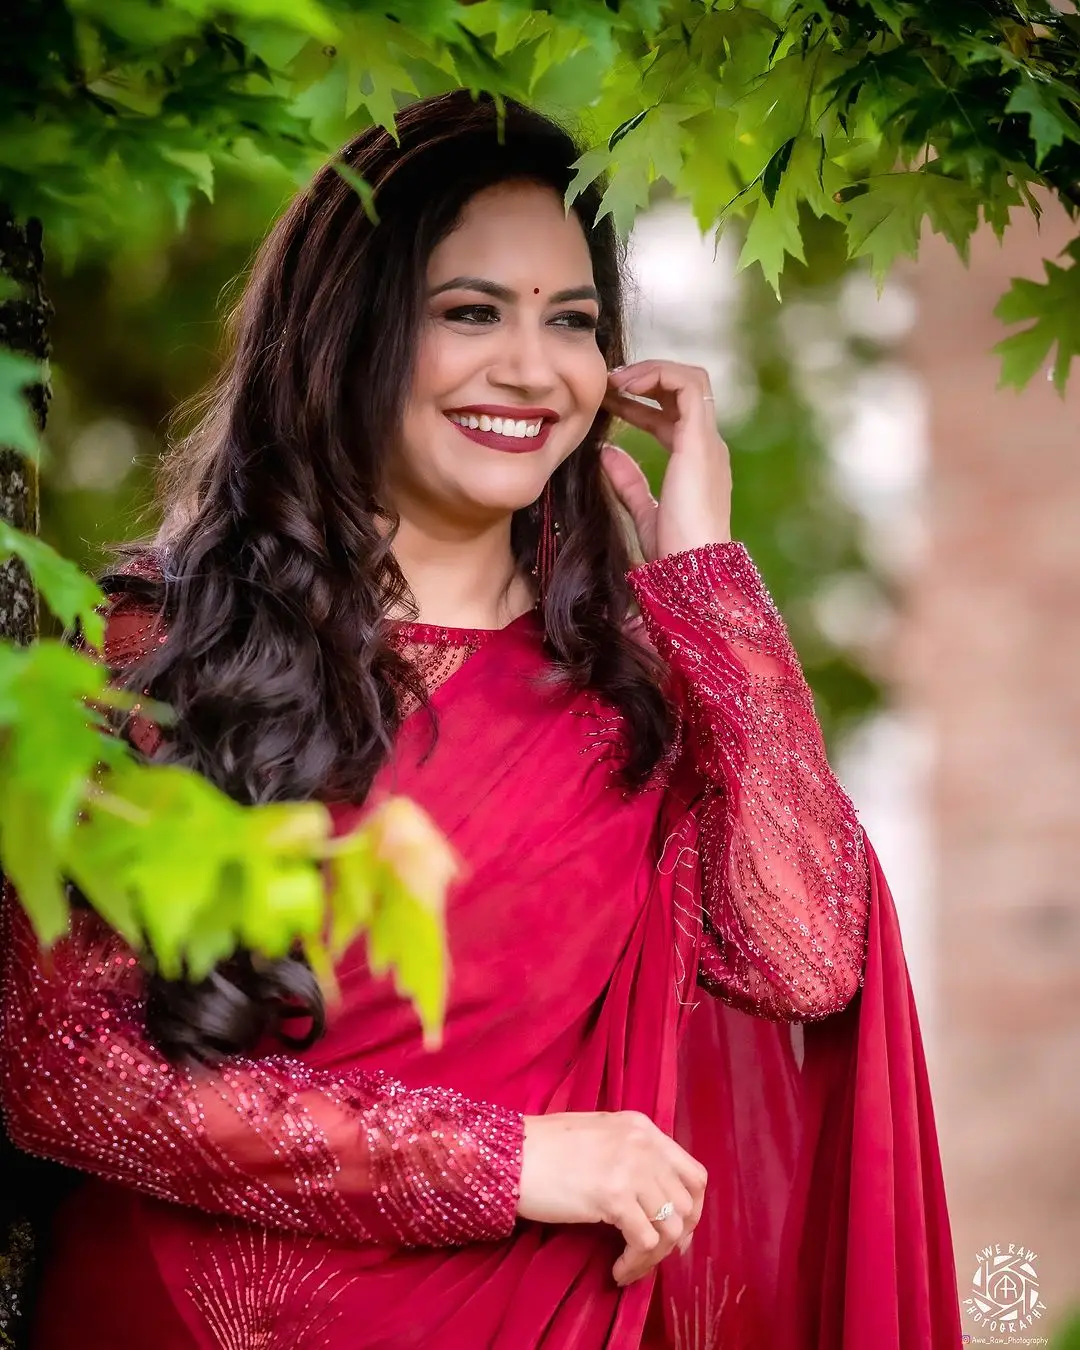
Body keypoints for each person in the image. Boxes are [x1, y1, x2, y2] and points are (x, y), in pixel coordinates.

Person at [0, 91, 961, 1349]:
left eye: (573, 321)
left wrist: (708, 577)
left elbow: (803, 959)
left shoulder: (639, 696)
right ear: (351, 331)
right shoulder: (156, 652)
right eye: (470, 312)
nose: (530, 368)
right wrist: (507, 1161)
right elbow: (60, 1072)